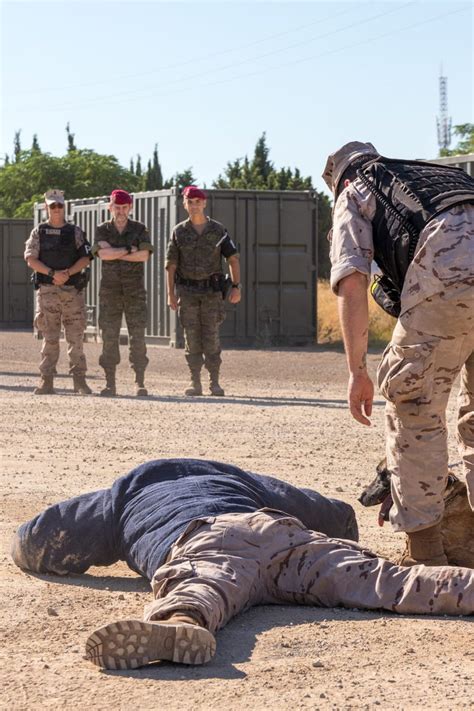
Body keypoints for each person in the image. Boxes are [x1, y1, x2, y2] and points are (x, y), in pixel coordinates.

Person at [11, 458, 474, 671]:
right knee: (390, 581)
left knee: (202, 585)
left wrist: (28, 550)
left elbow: (39, 541)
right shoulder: (240, 478)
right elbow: (337, 516)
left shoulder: (124, 494)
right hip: (275, 530)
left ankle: (180, 623)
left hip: (208, 539)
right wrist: (338, 539)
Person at [322, 141, 474, 566]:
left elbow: (351, 282)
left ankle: (425, 552)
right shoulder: (433, 174)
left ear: (334, 178)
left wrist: (358, 371)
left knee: (414, 402)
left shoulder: (356, 189)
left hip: (449, 272)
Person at [166, 186, 241, 397]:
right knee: (191, 337)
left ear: (205, 203)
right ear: (184, 205)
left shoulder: (218, 230)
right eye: (190, 202)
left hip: (211, 294)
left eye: (198, 201)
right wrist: (170, 294)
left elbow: (233, 258)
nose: (194, 205)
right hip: (187, 293)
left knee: (211, 336)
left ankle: (214, 382)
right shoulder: (179, 231)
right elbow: (170, 265)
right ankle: (194, 381)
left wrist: (236, 286)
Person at [24, 189, 93, 395]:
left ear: (64, 206)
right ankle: (47, 380)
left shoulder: (75, 232)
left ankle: (79, 380)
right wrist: (52, 273)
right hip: (48, 290)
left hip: (72, 290)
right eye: (52, 205)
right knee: (50, 337)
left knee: (76, 337)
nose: (56, 209)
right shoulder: (39, 232)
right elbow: (30, 258)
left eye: (59, 205)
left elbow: (86, 257)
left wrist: (68, 273)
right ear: (46, 207)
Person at [93, 189, 154, 397]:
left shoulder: (139, 229)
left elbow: (144, 255)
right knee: (109, 335)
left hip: (134, 292)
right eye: (116, 207)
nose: (120, 211)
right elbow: (102, 254)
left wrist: (116, 252)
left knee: (138, 336)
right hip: (110, 292)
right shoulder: (102, 229)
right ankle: (110, 383)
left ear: (130, 207)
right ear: (110, 207)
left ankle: (139, 382)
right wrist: (130, 250)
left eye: (124, 207)